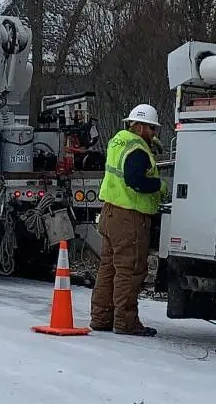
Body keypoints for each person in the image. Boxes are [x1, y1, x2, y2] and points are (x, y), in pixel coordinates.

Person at [90, 104, 170, 337]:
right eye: (152, 130)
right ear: (142, 127)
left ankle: (101, 318)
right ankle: (126, 322)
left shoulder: (119, 140)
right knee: (130, 270)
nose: (154, 134)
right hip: (130, 217)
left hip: (110, 213)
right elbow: (135, 180)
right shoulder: (137, 149)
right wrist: (159, 185)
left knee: (108, 268)